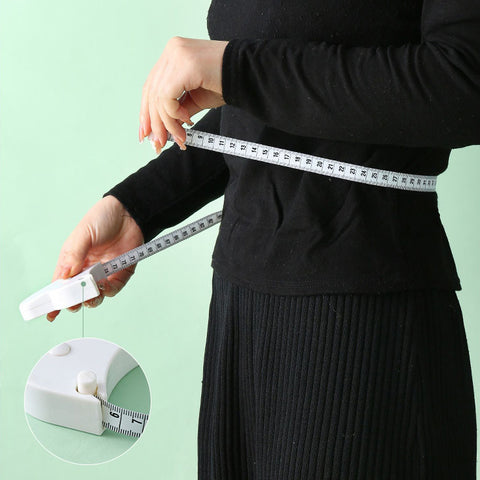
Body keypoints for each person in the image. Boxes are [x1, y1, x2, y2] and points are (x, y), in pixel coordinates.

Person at [47, 0, 479, 477]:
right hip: (241, 310)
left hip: (370, 323)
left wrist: (236, 68)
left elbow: (464, 83)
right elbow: (266, 117)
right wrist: (138, 206)